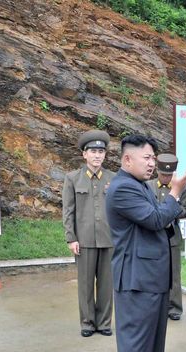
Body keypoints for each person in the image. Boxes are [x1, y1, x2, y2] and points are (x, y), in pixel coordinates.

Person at [106, 134, 186, 352]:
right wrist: (175, 193)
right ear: (127, 159)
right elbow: (156, 220)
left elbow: (160, 218)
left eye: (154, 158)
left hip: (152, 276)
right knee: (135, 343)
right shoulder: (121, 189)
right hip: (135, 279)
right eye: (147, 158)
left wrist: (167, 206)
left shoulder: (139, 185)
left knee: (154, 340)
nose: (153, 163)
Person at [62, 130, 115, 338]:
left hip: (108, 239)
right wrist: (71, 237)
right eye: (93, 151)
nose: (97, 155)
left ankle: (103, 323)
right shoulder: (73, 178)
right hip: (83, 240)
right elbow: (68, 211)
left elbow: (119, 209)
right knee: (85, 285)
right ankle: (87, 323)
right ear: (84, 154)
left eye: (101, 151)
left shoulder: (114, 178)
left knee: (106, 284)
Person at [147, 153, 186, 321]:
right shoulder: (148, 186)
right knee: (153, 274)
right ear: (156, 171)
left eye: (169, 174)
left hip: (172, 236)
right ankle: (155, 307)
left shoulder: (180, 188)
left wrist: (171, 212)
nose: (166, 177)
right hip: (152, 237)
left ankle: (175, 308)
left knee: (174, 274)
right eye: (163, 174)